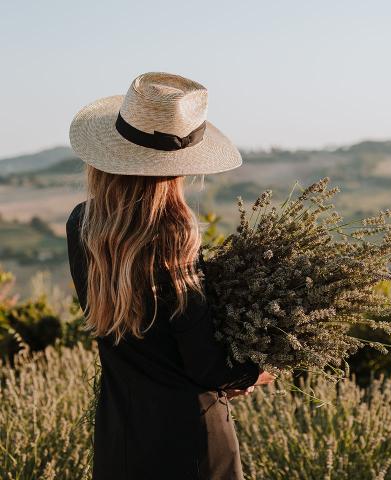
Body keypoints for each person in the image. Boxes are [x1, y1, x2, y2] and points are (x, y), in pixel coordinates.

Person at [66, 72, 275, 480]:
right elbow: (205, 364)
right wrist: (259, 369)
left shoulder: (83, 225)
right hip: (192, 443)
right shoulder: (176, 237)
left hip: (119, 437)